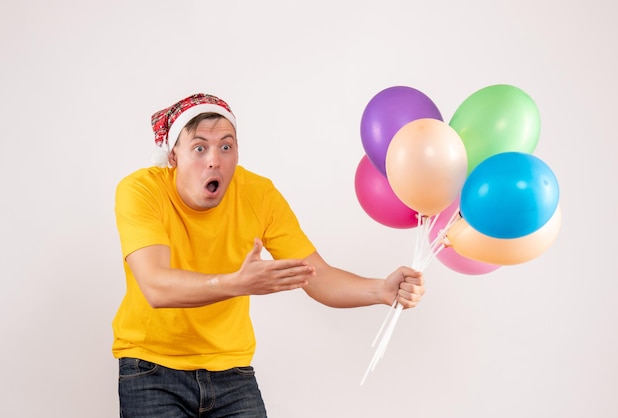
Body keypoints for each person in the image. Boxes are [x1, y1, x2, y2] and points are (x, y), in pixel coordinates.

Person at [112, 93, 425, 417]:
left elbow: (318, 276)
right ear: (173, 155)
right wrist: (237, 283)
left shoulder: (259, 195)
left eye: (226, 146)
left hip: (231, 371)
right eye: (200, 147)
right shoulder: (140, 191)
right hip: (151, 369)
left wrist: (380, 290)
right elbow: (155, 286)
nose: (214, 160)